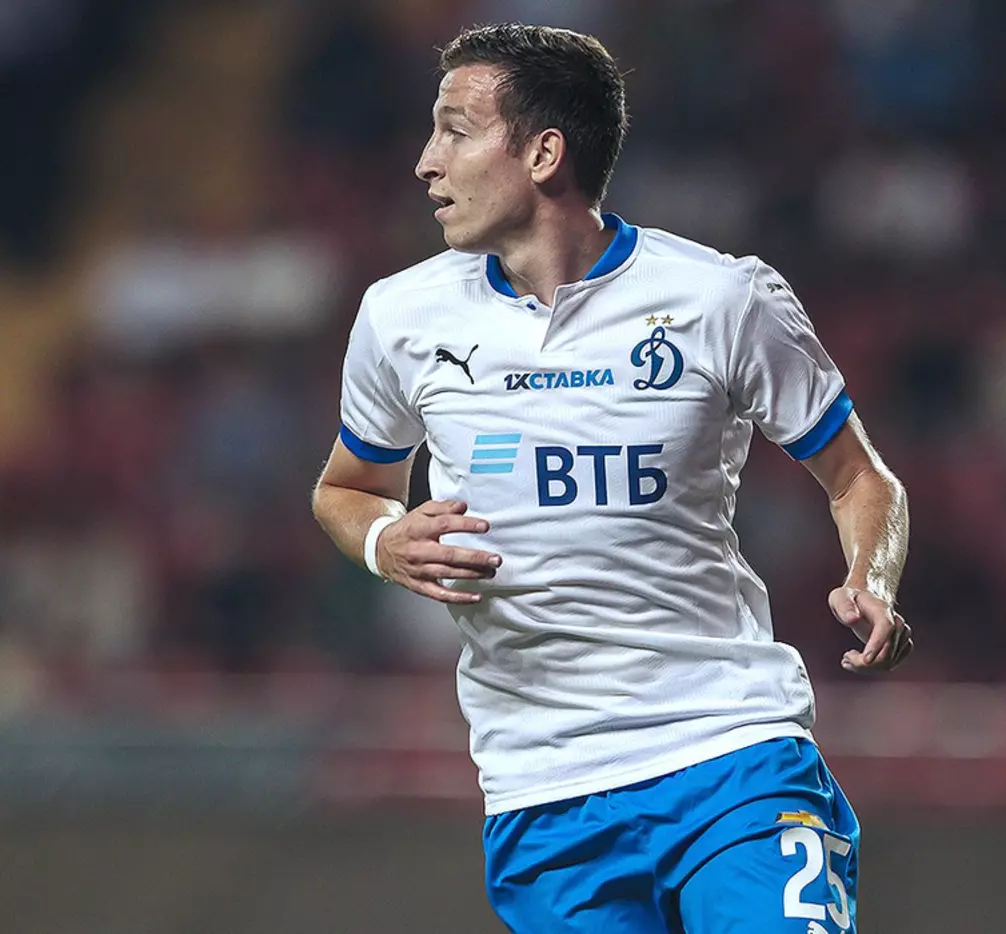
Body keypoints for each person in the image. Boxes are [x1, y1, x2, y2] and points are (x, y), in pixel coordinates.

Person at [311, 22, 911, 934]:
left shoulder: (722, 299)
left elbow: (861, 479)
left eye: (455, 131)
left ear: (544, 153)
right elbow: (347, 487)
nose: (427, 162)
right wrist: (386, 541)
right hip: (543, 791)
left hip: (729, 755)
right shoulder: (401, 316)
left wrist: (871, 578)